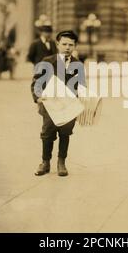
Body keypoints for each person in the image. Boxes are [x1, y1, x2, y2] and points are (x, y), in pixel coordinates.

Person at [30, 30, 85, 177]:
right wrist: (38, 97)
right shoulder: (47, 61)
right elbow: (36, 82)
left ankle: (61, 162)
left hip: (68, 106)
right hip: (50, 105)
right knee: (47, 133)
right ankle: (45, 162)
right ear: (57, 44)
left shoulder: (78, 64)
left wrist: (80, 98)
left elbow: (80, 85)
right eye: (64, 44)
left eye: (71, 45)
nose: (67, 47)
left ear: (75, 46)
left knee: (65, 133)